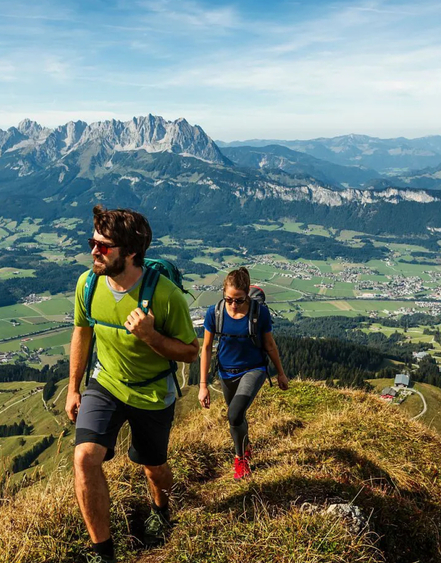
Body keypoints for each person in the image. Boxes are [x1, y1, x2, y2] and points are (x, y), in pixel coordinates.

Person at [66, 205, 199, 563]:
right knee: (84, 458)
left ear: (131, 253)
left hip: (153, 390)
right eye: (92, 242)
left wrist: (151, 336)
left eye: (103, 246)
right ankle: (104, 553)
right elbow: (82, 332)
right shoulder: (88, 283)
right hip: (106, 382)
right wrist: (73, 387)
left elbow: (190, 353)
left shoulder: (166, 295)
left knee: (153, 468)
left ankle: (162, 513)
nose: (94, 251)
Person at [197, 267, 288, 479]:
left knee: (234, 413)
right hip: (226, 373)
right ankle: (245, 447)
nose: (234, 305)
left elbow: (270, 345)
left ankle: (240, 459)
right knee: (237, 418)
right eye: (229, 299)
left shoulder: (259, 313)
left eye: (239, 300)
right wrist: (202, 385)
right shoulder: (215, 313)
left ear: (247, 294)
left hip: (253, 369)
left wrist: (280, 373)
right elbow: (206, 348)